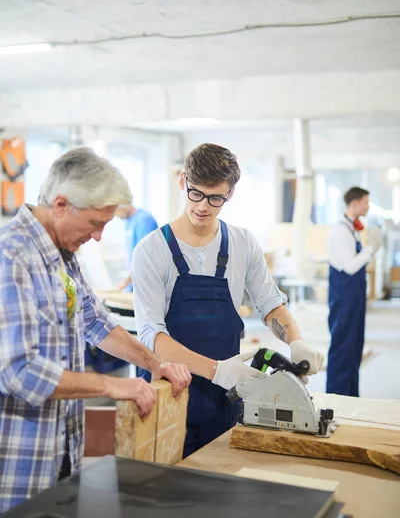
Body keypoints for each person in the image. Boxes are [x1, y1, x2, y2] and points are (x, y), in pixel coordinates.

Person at [0, 147, 191, 514]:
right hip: (19, 462)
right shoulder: (12, 258)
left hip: (61, 454)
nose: (100, 236)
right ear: (60, 205)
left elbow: (93, 319)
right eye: (95, 224)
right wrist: (110, 385)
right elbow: (18, 372)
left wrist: (154, 362)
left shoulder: (62, 257)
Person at [132, 143, 324, 457]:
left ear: (230, 194)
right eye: (196, 193)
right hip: (169, 392)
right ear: (183, 181)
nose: (203, 206)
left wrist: (296, 341)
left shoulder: (242, 243)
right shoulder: (151, 251)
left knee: (221, 487)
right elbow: (153, 337)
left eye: (215, 198)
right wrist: (218, 370)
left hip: (225, 396)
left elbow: (269, 302)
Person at [326, 186, 382, 396]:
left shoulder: (353, 229)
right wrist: (371, 248)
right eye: (366, 202)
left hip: (354, 295)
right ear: (355, 203)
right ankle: (337, 397)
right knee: (343, 347)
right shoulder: (340, 231)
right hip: (344, 297)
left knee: (354, 347)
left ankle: (350, 396)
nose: (368, 206)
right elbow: (350, 266)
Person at [116, 204, 158, 291]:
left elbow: (145, 257)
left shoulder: (145, 220)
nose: (116, 215)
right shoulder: (128, 222)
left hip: (145, 282)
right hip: (134, 281)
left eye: (116, 211)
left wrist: (124, 283)